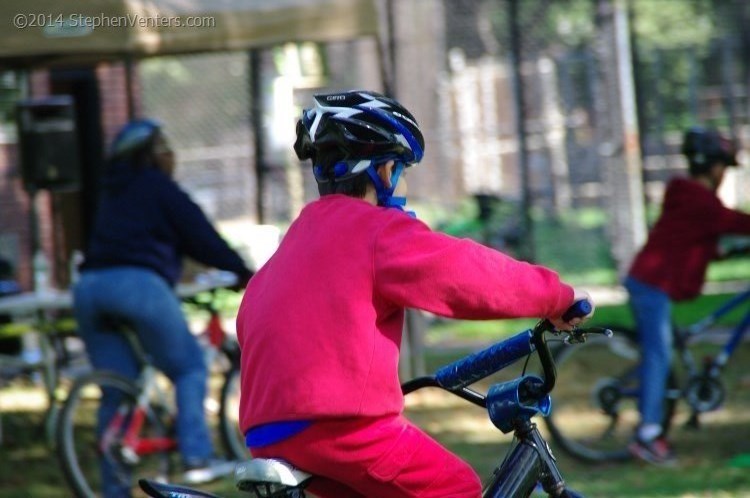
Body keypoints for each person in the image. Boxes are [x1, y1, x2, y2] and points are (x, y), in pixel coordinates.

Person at [236, 90, 594, 498]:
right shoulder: (374, 232)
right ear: (384, 171)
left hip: (267, 432)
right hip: (343, 429)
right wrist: (557, 296)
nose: (400, 182)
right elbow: (464, 276)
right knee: (454, 486)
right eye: (402, 169)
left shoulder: (290, 248)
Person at [73, 119, 253, 497]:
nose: (172, 155)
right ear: (153, 154)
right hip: (137, 285)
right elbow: (200, 235)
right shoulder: (158, 187)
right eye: (165, 148)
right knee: (188, 366)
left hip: (88, 290)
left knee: (118, 390)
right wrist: (239, 269)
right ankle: (197, 457)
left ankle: (112, 487)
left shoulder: (111, 192)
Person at [625, 126, 750, 466]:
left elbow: (695, 239)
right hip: (651, 284)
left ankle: (654, 425)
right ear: (711, 167)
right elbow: (732, 221)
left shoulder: (691, 199)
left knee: (664, 351)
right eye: (723, 166)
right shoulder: (700, 201)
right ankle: (648, 435)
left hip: (653, 282)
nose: (724, 174)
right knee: (659, 355)